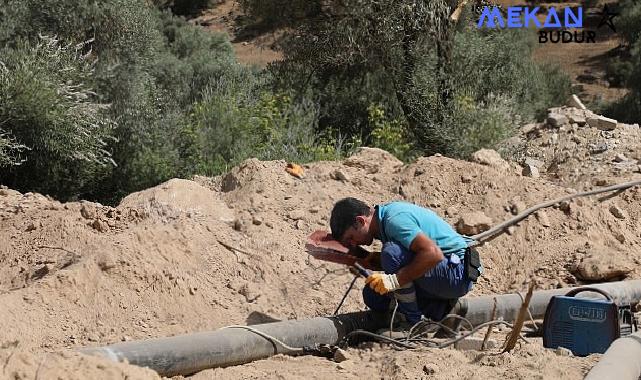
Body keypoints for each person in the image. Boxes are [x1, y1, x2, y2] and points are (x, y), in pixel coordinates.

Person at [330, 197, 481, 324]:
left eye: (351, 238)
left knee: (391, 253)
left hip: (457, 273)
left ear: (361, 221)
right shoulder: (384, 221)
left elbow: (433, 254)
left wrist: (395, 281)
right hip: (445, 272)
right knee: (373, 294)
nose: (354, 243)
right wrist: (368, 261)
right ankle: (441, 310)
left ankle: (411, 323)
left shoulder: (394, 219)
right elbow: (407, 260)